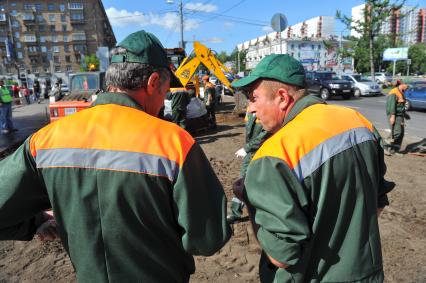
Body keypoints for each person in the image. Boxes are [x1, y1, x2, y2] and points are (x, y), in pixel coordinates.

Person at [0, 30, 231, 282]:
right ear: (153, 82)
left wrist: (37, 221)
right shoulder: (174, 142)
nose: (165, 98)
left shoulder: (43, 141)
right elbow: (208, 239)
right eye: (165, 90)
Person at [231, 54, 392, 283]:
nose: (251, 109)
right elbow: (376, 204)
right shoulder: (359, 122)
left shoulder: (274, 154)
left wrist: (250, 200)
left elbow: (282, 256)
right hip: (368, 274)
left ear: (282, 98)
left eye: (254, 98)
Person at [228, 105, 270, 224]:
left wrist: (247, 148)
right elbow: (249, 132)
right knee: (243, 182)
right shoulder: (250, 108)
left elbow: (265, 134)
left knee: (261, 183)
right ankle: (236, 213)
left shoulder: (266, 109)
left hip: (263, 154)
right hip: (251, 154)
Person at [384, 80, 409, 155]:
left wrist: (405, 115)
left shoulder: (401, 92)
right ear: (402, 84)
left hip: (400, 115)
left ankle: (394, 150)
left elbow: (400, 105)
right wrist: (392, 116)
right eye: (406, 85)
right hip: (395, 115)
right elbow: (392, 105)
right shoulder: (394, 92)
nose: (407, 87)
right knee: (397, 132)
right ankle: (384, 145)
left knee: (401, 134)